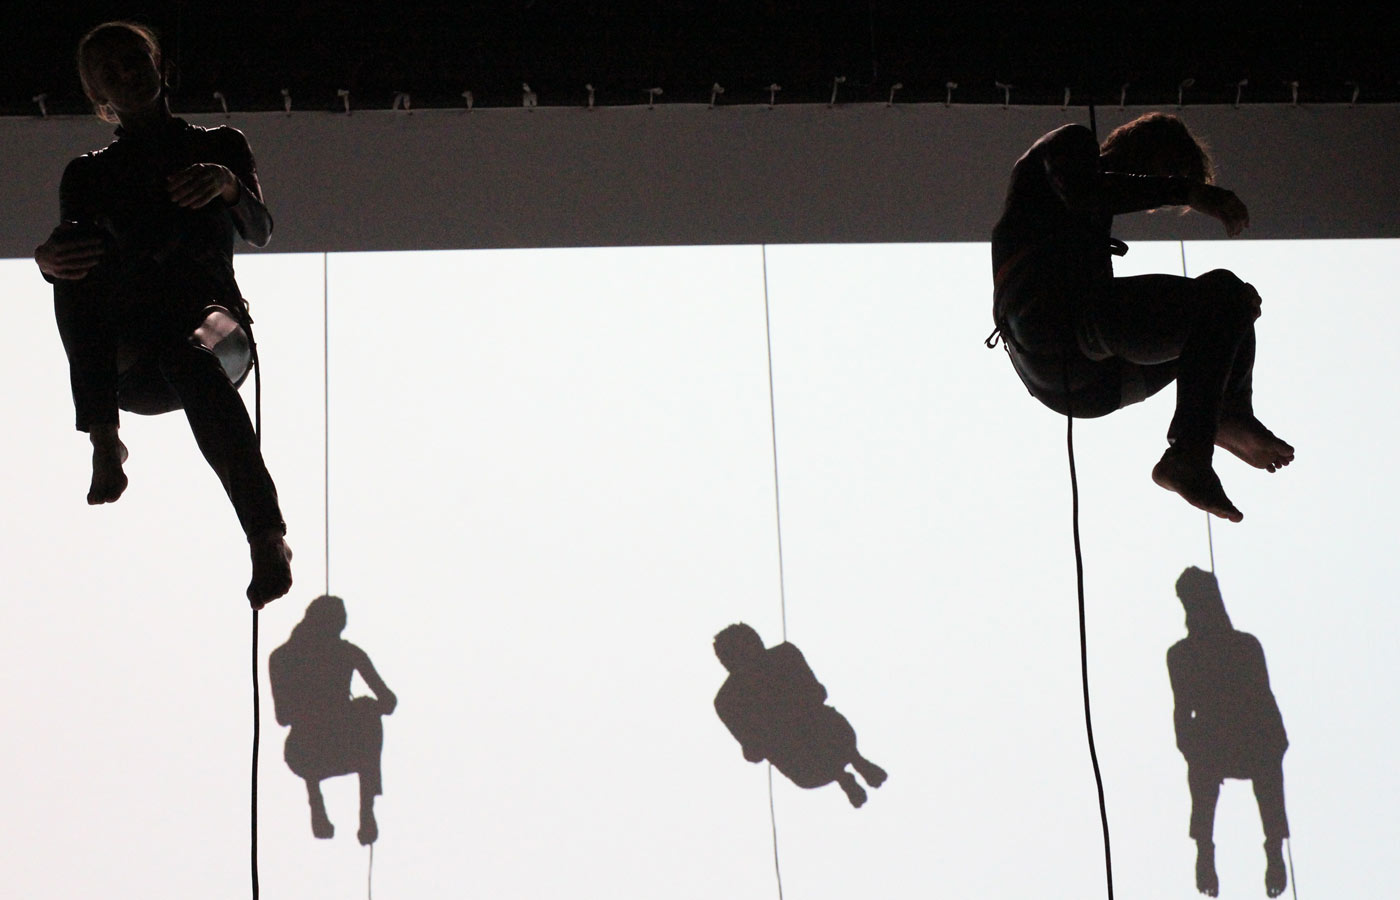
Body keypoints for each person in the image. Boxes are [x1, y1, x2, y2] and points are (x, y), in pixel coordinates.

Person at [33, 21, 291, 607]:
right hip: (135, 359)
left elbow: (259, 229)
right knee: (71, 260)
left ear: (160, 65)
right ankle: (104, 438)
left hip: (215, 334)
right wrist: (48, 261)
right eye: (110, 71)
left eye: (135, 59)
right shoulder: (88, 173)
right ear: (99, 96)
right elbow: (73, 259)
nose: (128, 73)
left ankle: (266, 535)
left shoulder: (221, 145)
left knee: (188, 351)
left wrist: (229, 187)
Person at [990, 113, 1294, 522]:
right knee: (1222, 294)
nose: (1153, 199)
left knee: (1231, 306)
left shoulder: (1089, 223)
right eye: (1166, 174)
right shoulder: (1069, 143)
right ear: (1149, 148)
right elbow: (1087, 191)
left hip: (1084, 387)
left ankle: (1220, 420)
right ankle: (1197, 444)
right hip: (1053, 323)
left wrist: (1232, 324)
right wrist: (1187, 191)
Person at [1167, 567, 1289, 897]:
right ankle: (1204, 849)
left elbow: (1264, 700)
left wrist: (1277, 742)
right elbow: (1182, 715)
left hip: (1248, 739)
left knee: (1266, 763)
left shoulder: (1246, 646)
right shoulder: (1181, 656)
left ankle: (1274, 847)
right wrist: (1190, 747)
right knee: (1204, 767)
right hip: (1212, 744)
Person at [712, 623, 886, 808]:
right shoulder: (784, 655)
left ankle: (847, 771)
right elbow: (818, 692)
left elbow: (752, 751)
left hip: (803, 759)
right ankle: (852, 763)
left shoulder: (726, 700)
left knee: (812, 743)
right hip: (822, 741)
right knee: (821, 736)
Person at [269, 595, 397, 845]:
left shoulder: (281, 657)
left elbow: (283, 718)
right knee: (367, 712)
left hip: (306, 753)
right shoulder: (347, 652)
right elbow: (388, 701)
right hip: (325, 748)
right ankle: (362, 809)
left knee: (362, 712)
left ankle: (323, 801)